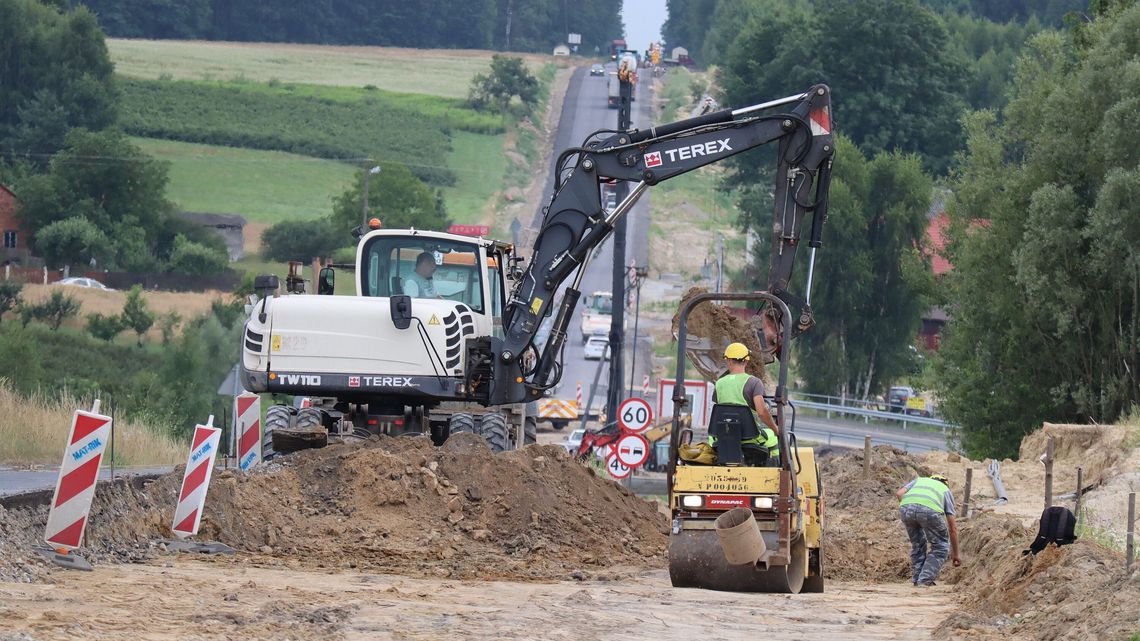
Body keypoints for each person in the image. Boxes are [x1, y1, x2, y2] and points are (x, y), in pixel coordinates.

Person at [708, 342, 780, 466]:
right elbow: (762, 412)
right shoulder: (754, 382)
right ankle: (774, 470)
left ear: (728, 361)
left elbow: (721, 410)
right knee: (773, 437)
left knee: (711, 438)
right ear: (746, 361)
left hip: (724, 435)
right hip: (750, 436)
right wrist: (776, 429)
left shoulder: (719, 383)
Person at [896, 473, 962, 586]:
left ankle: (917, 579)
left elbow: (899, 493)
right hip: (929, 512)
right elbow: (952, 527)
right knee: (940, 546)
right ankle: (924, 580)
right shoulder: (945, 490)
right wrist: (955, 554)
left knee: (917, 545)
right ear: (945, 483)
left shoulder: (919, 480)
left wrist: (911, 509)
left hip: (906, 508)